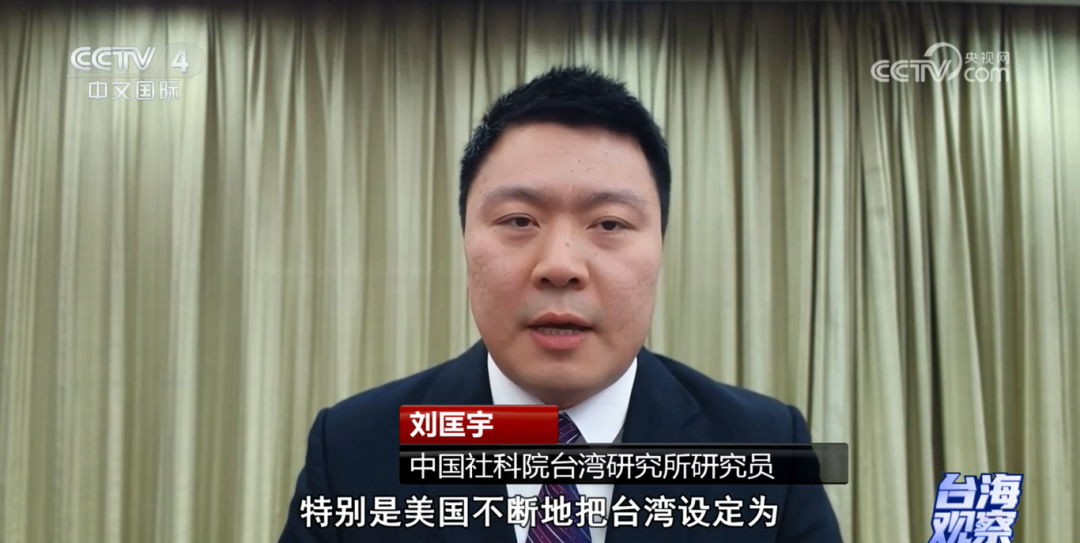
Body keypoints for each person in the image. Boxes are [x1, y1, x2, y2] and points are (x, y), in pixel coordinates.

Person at [278, 66, 843, 543]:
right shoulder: (354, 447)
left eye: (609, 224)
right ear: (465, 239)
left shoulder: (768, 447)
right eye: (519, 220)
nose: (560, 265)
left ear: (661, 247)